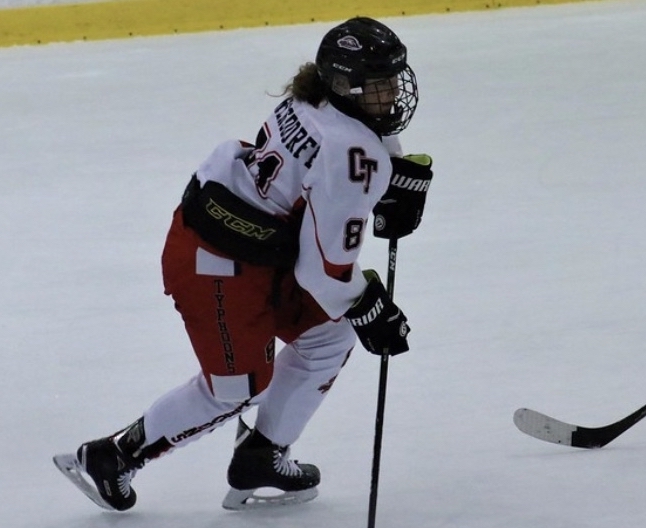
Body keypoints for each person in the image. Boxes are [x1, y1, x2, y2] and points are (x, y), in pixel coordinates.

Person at [53, 16, 433, 512]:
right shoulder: (352, 153)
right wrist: (367, 306)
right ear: (345, 85)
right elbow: (324, 272)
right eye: (380, 84)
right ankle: (109, 458)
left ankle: (262, 456)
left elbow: (341, 162)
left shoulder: (311, 96)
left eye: (394, 79)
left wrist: (386, 182)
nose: (394, 94)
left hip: (246, 246)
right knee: (237, 388)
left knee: (329, 335)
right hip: (215, 264)